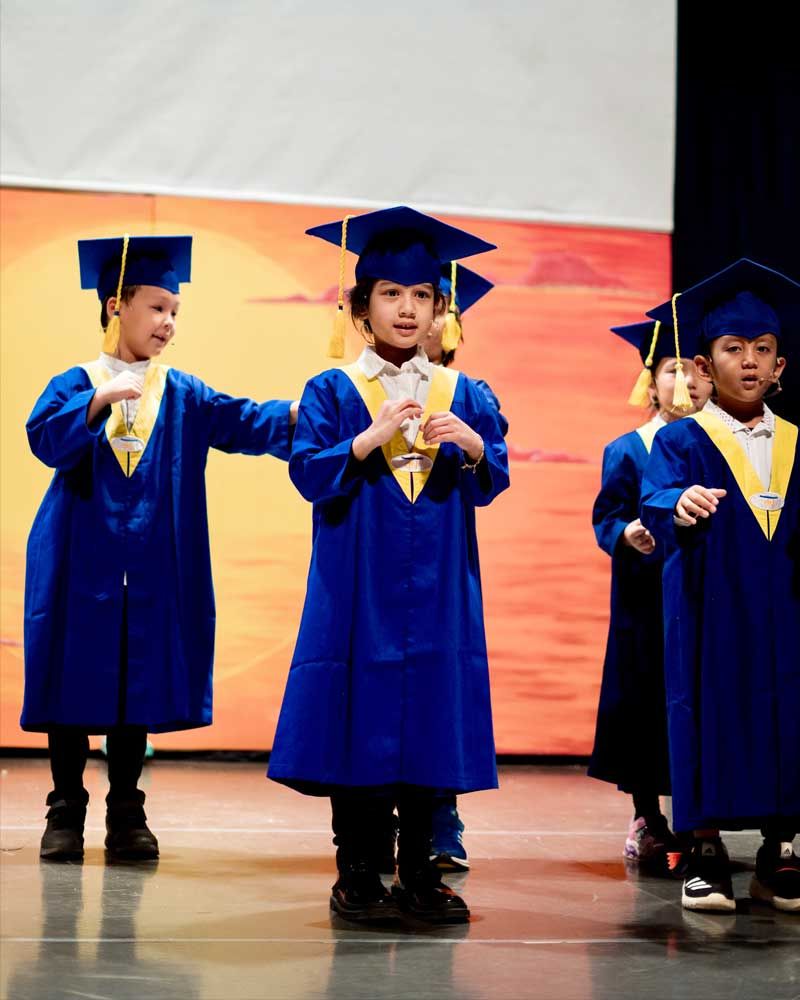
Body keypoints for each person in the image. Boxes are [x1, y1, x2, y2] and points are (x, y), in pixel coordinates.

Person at [267, 206, 508, 924]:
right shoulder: (333, 392)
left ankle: (424, 874)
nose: (408, 309)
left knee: (434, 715)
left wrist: (472, 447)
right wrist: (366, 440)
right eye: (391, 295)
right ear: (360, 306)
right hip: (358, 586)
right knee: (361, 720)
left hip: (440, 589)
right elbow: (308, 474)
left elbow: (491, 481)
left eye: (423, 297)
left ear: (442, 310)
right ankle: (360, 872)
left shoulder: (466, 394)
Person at [24, 234, 298, 862]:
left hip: (151, 562)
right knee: (71, 683)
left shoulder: (183, 392)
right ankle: (64, 811)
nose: (168, 322)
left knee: (133, 682)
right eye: (156, 308)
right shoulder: (75, 380)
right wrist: (96, 402)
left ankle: (127, 811)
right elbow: (45, 440)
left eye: (175, 311)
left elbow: (248, 421)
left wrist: (322, 410)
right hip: (76, 556)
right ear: (116, 304)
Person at [641, 258, 800, 913]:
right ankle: (701, 857)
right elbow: (653, 496)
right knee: (704, 715)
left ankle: (778, 851)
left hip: (786, 610)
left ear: (781, 367)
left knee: (787, 717)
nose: (751, 361)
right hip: (709, 606)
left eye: (763, 349)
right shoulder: (683, 438)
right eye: (733, 349)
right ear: (704, 367)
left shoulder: (794, 440)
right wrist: (678, 504)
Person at [589, 318, 711, 872]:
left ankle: (698, 818)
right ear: (651, 381)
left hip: (704, 597)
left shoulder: (718, 443)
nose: (684, 381)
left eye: (694, 370)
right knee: (643, 706)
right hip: (645, 600)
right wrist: (625, 534)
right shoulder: (629, 448)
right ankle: (647, 817)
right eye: (671, 370)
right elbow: (607, 516)